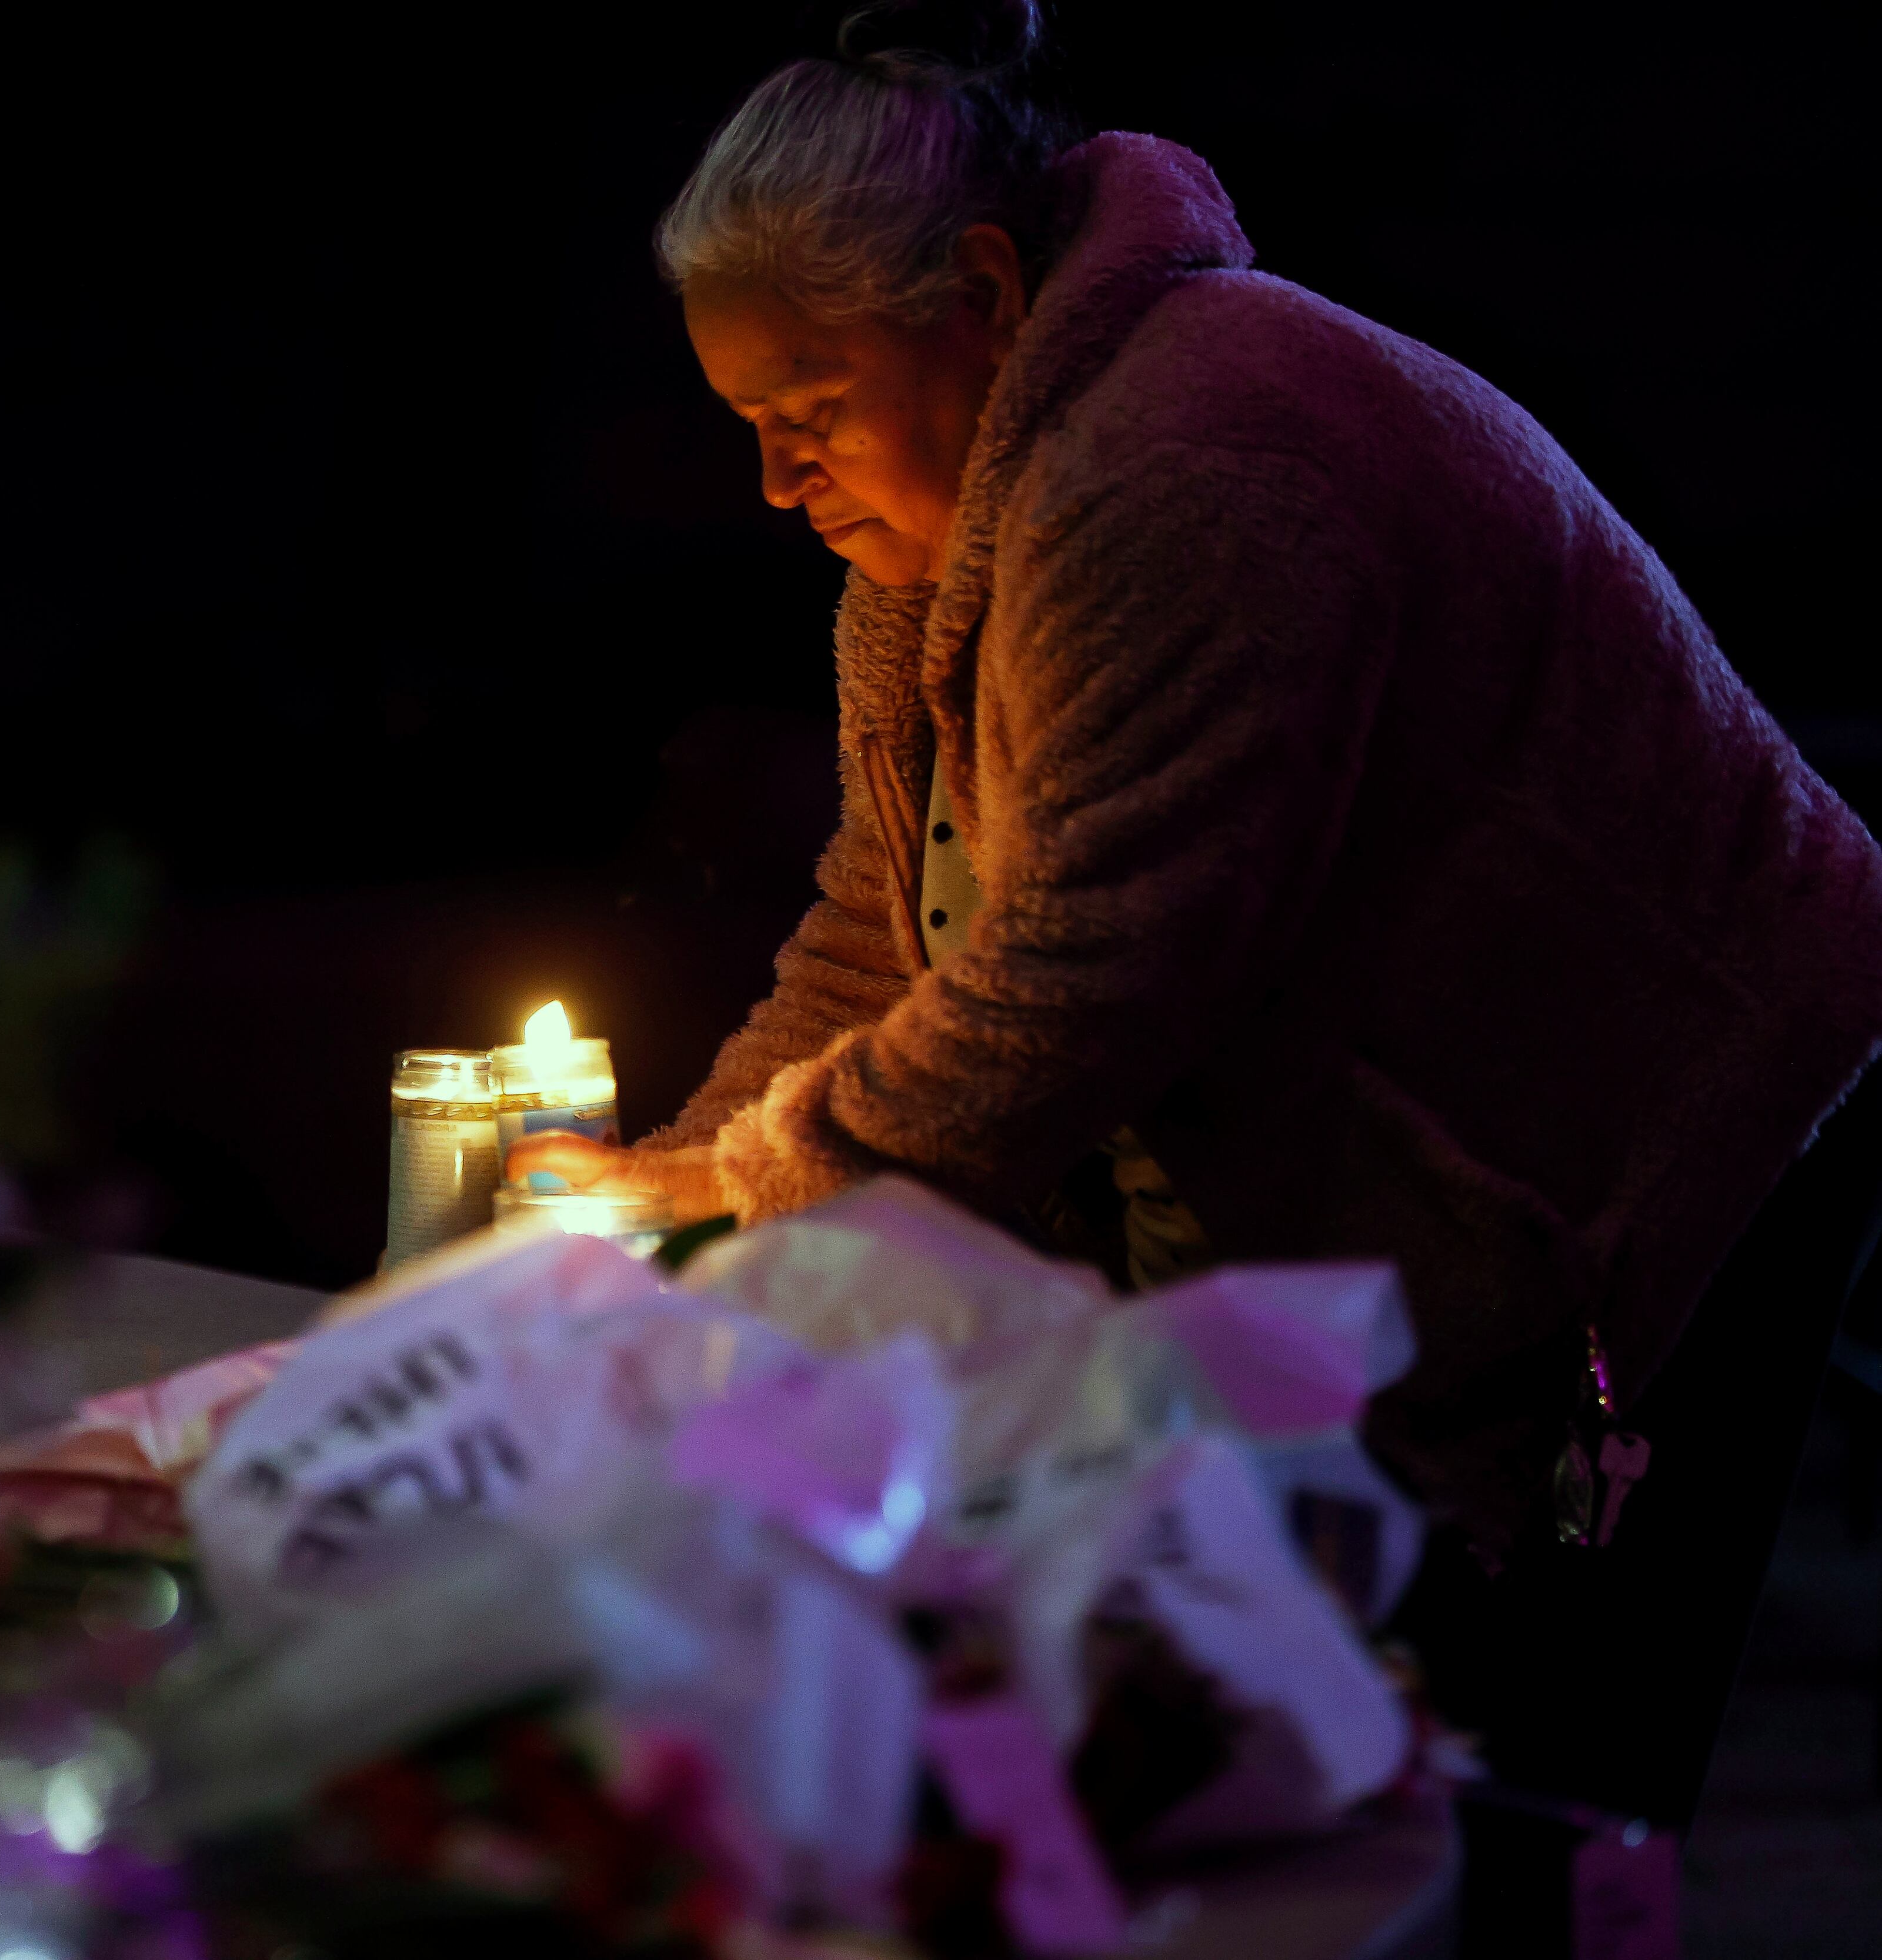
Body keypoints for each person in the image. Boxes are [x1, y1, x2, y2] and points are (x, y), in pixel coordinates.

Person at [510, 0, 1882, 1819]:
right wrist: (673, 1182)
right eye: (747, 425)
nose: (776, 480)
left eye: (810, 411)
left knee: (1521, 1775)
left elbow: (1088, 976)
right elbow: (879, 935)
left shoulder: (1189, 468)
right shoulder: (932, 544)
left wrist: (752, 1205)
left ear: (982, 297)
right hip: (1426, 1136)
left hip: (1668, 1102)